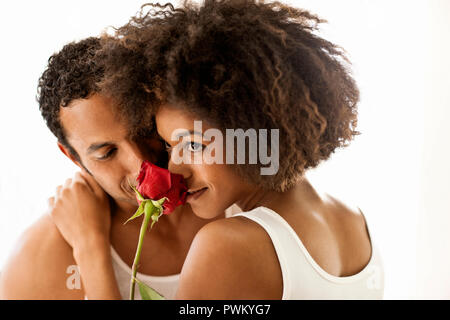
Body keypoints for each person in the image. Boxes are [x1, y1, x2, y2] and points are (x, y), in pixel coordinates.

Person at [48, 0, 384, 299]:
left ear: (252, 127)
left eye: (193, 144)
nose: (174, 168)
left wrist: (90, 250)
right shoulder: (354, 221)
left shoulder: (227, 245)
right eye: (168, 143)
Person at [0, 37, 234, 300]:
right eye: (107, 153)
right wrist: (90, 247)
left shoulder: (236, 192)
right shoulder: (38, 259)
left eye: (144, 131)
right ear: (73, 157)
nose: (140, 163)